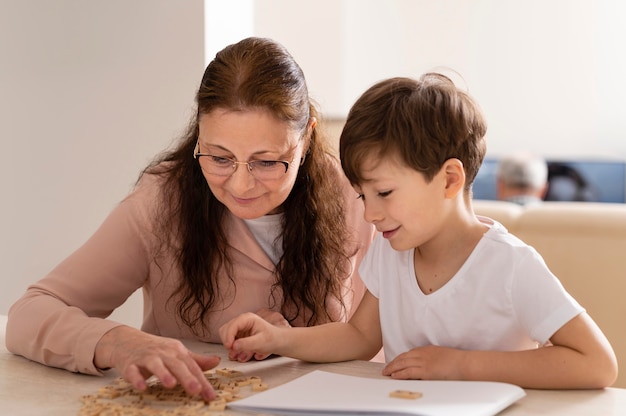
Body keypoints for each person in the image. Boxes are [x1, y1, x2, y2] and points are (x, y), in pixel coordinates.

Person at [5, 37, 374, 401]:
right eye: (219, 157)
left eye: (266, 162)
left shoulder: (357, 198)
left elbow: (375, 339)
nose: (241, 184)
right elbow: (27, 316)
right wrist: (116, 341)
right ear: (199, 134)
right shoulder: (162, 202)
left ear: (307, 138)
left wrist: (291, 338)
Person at [220, 74, 618, 389]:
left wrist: (460, 365)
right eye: (362, 196)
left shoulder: (511, 265)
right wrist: (278, 340)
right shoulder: (392, 251)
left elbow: (597, 364)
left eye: (385, 192)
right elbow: (359, 337)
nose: (371, 214)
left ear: (449, 179)